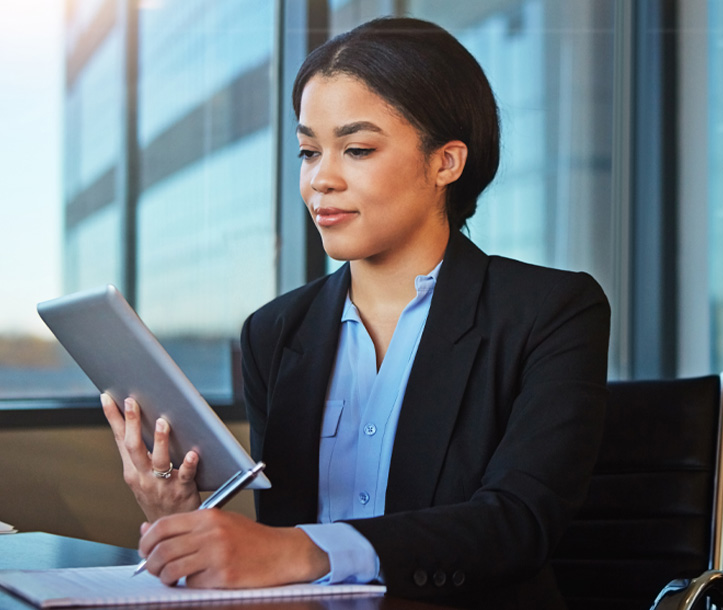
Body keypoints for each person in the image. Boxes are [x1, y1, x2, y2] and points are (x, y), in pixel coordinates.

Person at [102, 16, 610, 609]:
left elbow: (517, 524)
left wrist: (302, 551)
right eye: (309, 151)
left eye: (358, 149)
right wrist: (180, 515)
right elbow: (285, 537)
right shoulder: (274, 333)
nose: (321, 179)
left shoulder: (551, 312)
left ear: (445, 162)